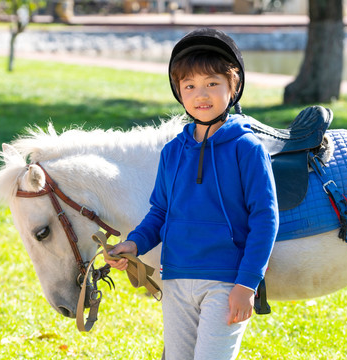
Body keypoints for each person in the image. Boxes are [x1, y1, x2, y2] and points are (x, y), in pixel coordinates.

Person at [106, 28, 279, 360]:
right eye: (190, 86)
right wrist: (134, 243)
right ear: (179, 93)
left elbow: (265, 220)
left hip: (226, 281)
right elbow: (159, 213)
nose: (202, 94)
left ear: (234, 86)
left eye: (212, 83)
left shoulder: (247, 149)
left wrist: (247, 284)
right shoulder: (172, 151)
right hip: (176, 278)